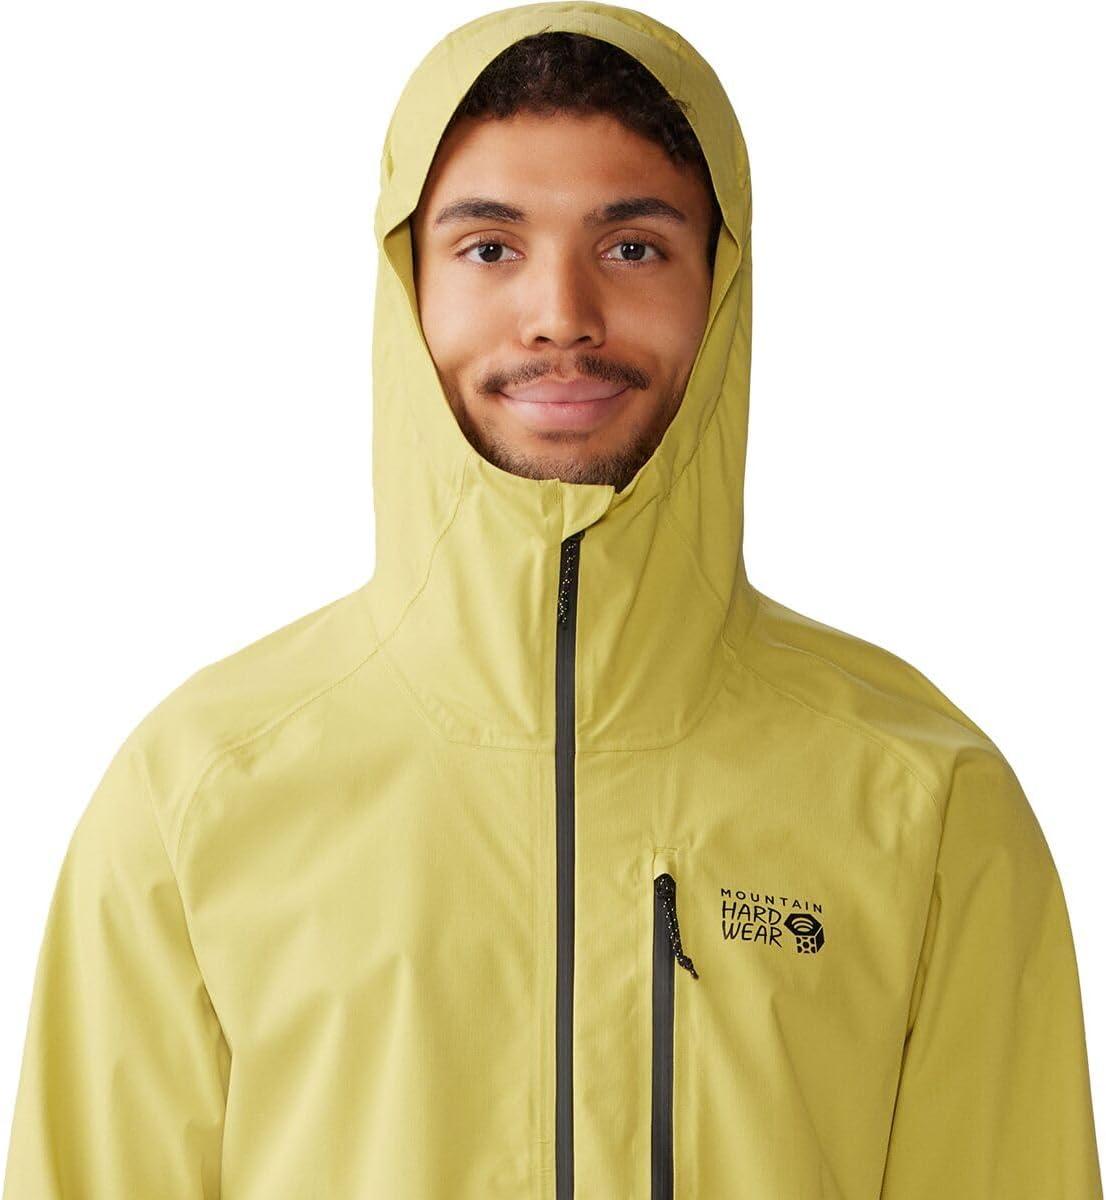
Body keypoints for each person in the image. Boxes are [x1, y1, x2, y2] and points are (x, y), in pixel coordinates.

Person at [2, 3, 1101, 1197]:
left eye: (630, 247)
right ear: (407, 287)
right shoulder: (195, 793)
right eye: (489, 248)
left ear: (719, 286)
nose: (561, 313)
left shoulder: (922, 798)